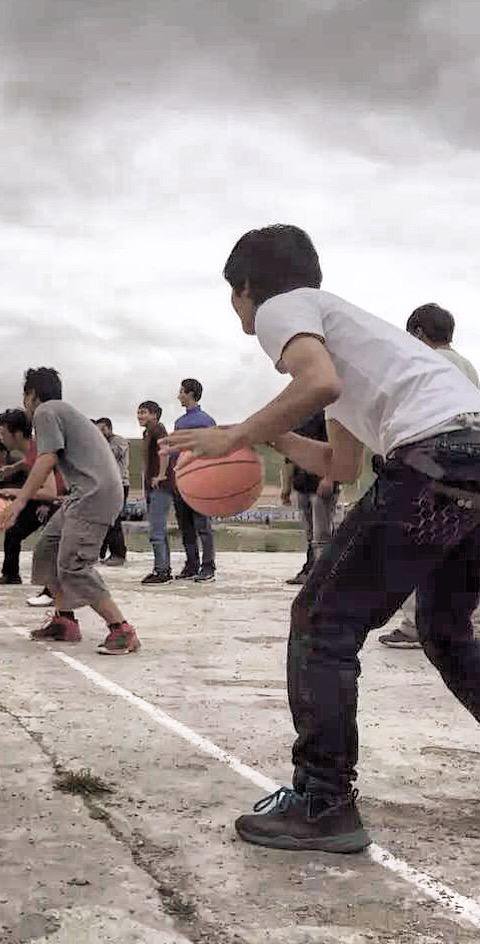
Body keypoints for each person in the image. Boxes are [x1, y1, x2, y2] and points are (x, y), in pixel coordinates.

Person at [167, 224, 480, 853]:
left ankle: (323, 802)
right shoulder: (361, 341)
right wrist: (267, 436)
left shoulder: (287, 304)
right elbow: (340, 465)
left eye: (236, 297)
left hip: (435, 458)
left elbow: (317, 385)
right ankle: (324, 798)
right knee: (444, 627)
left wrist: (232, 437)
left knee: (321, 621)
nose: (239, 311)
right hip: (468, 458)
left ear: (246, 289)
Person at [6, 367, 140, 654]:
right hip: (85, 493)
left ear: (31, 395)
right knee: (48, 548)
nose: (25, 404)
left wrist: (19, 502)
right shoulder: (62, 411)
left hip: (94, 494)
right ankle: (64, 620)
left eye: (25, 397)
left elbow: (46, 459)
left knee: (74, 564)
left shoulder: (46, 412)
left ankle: (121, 629)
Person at [380, 303, 480, 648]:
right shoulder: (466, 365)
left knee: (415, 544)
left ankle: (413, 627)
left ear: (419, 334)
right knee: (459, 552)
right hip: (469, 470)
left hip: (434, 467)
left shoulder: (427, 364)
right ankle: (458, 621)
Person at [0, 408, 64, 586]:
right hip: (43, 500)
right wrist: (12, 468)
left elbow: (50, 493)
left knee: (49, 544)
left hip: (58, 502)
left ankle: (53, 587)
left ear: (16, 434)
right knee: (13, 530)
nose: (1, 439)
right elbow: (27, 462)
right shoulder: (32, 448)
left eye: (3, 434)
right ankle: (11, 575)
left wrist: (17, 493)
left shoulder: (40, 451)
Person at [280, 413, 337, 586]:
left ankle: (324, 575)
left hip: (321, 485)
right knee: (310, 534)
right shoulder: (297, 419)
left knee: (322, 534)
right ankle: (310, 569)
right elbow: (289, 458)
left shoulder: (327, 416)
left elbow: (337, 450)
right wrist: (286, 488)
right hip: (302, 484)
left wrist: (329, 478)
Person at [172, 379, 217, 582]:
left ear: (190, 394)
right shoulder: (179, 422)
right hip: (181, 481)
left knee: (202, 526)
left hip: (200, 482)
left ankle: (208, 567)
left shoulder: (207, 421)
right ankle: (191, 565)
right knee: (186, 526)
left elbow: (212, 452)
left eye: (181, 392)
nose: (179, 395)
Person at [136, 401, 172, 585]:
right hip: (152, 487)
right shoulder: (147, 432)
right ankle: (164, 568)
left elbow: (165, 452)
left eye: (144, 412)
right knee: (160, 530)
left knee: (156, 531)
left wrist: (161, 475)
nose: (140, 416)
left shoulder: (158, 429)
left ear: (154, 415)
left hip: (161, 486)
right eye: (139, 413)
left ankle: (161, 571)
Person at [94, 417, 130, 566]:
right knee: (104, 520)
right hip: (106, 485)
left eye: (102, 429)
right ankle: (101, 552)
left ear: (109, 428)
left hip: (120, 485)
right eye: (97, 429)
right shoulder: (101, 443)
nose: (100, 432)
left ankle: (118, 554)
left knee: (114, 520)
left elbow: (110, 455)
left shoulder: (119, 441)